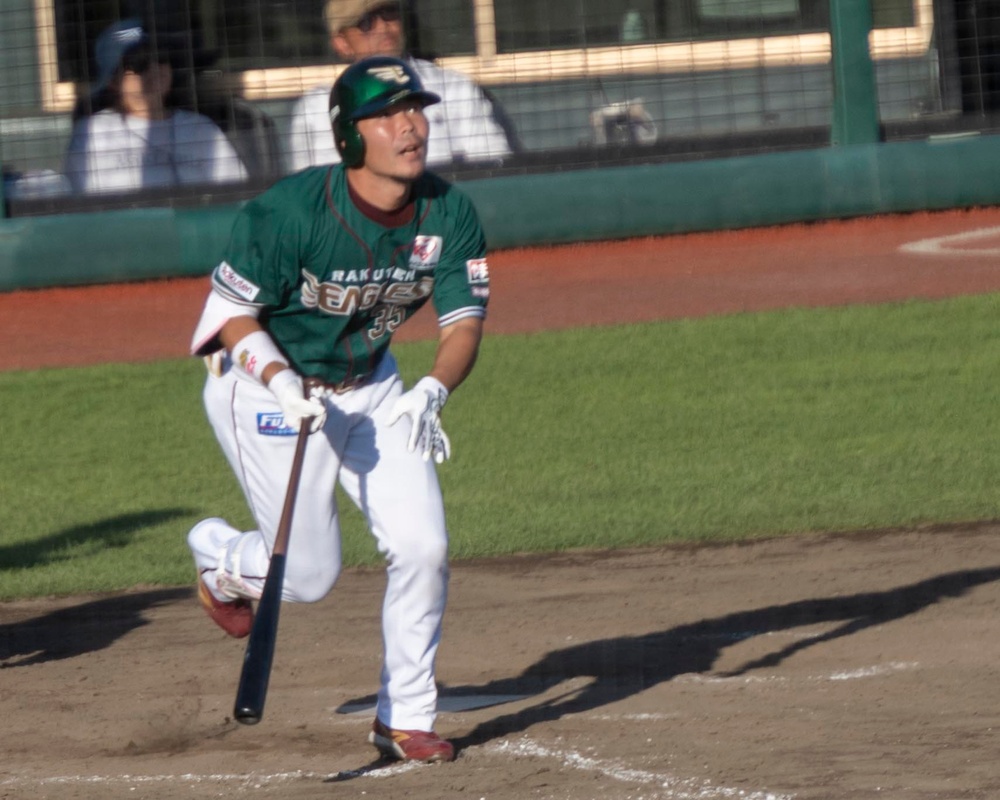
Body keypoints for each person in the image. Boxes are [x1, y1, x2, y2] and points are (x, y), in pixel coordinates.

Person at [187, 55, 490, 764]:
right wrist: (282, 384)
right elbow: (232, 317)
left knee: (424, 547)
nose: (411, 124)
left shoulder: (449, 212)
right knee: (309, 578)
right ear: (350, 136)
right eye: (388, 113)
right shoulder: (288, 212)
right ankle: (221, 557)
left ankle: (404, 716)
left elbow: (463, 324)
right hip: (263, 386)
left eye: (416, 108)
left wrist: (434, 388)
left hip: (373, 385)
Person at [286, 0, 513, 172]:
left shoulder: (452, 87)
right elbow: (312, 188)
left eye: (389, 14)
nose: (383, 27)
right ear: (342, 43)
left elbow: (493, 166)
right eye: (366, 23)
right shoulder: (317, 106)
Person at [65, 19, 248, 195]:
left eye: (160, 57)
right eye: (139, 62)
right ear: (113, 80)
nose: (154, 68)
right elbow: (85, 206)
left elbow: (236, 193)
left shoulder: (201, 128)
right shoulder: (94, 133)